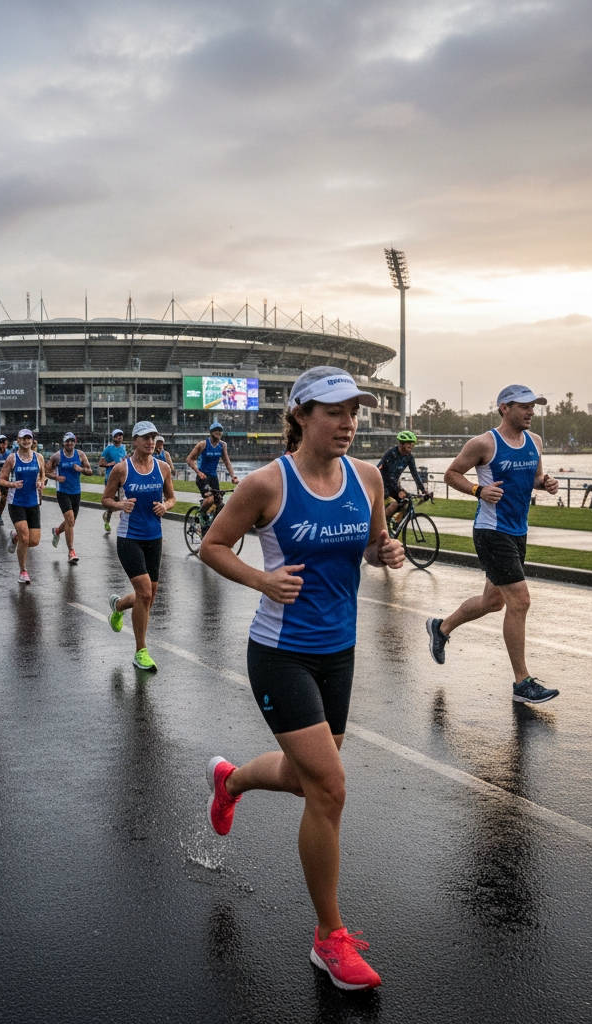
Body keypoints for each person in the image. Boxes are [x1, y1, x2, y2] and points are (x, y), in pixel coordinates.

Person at [199, 366, 403, 992]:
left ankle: (230, 780)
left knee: (304, 776)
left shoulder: (366, 478)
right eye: (336, 411)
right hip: (280, 652)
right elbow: (213, 544)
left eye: (355, 412)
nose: (349, 423)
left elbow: (370, 546)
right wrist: (262, 580)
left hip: (339, 652)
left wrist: (385, 552)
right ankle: (328, 939)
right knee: (331, 787)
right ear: (302, 415)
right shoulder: (267, 484)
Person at [426, 385, 561, 703]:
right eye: (524, 406)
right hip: (491, 531)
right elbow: (451, 474)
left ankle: (441, 628)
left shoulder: (535, 442)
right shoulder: (485, 443)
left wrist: (547, 483)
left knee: (494, 602)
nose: (531, 411)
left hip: (518, 531)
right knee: (520, 601)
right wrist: (477, 490)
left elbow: (536, 478)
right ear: (504, 407)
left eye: (534, 406)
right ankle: (522, 682)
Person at [102, 421, 176, 671]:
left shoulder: (163, 467)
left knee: (150, 596)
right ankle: (140, 652)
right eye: (145, 437)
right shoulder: (121, 469)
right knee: (144, 592)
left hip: (154, 537)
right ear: (134, 441)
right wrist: (119, 505)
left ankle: (119, 605)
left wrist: (166, 506)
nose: (151, 441)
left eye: (153, 437)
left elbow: (172, 497)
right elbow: (105, 499)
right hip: (129, 537)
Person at [0, 428, 45, 584]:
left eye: (28, 438)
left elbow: (42, 475)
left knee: (34, 541)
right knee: (25, 538)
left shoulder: (39, 457)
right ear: (18, 441)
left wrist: (41, 483)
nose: (26, 441)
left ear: (32, 440)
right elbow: (1, 480)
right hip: (16, 502)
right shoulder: (12, 458)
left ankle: (15, 536)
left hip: (33, 502)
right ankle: (23, 571)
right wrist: (12, 484)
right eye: (23, 438)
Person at [46, 431, 92, 565]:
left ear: (75, 441)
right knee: (70, 519)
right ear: (63, 442)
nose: (69, 443)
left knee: (70, 522)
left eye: (72, 441)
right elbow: (46, 471)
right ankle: (71, 552)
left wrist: (81, 469)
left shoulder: (80, 455)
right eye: (67, 441)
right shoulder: (57, 456)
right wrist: (56, 477)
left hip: (76, 492)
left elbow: (90, 471)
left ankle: (57, 531)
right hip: (63, 492)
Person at [186, 422, 239, 523]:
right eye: (216, 430)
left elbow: (227, 461)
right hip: (203, 477)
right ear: (211, 432)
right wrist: (198, 471)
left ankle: (213, 525)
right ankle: (202, 513)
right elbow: (189, 459)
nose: (218, 432)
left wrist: (233, 476)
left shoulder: (223, 445)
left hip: (213, 477)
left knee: (219, 502)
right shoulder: (202, 444)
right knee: (209, 499)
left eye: (220, 430)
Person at [376, 430, 430, 522]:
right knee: (395, 504)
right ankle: (379, 524)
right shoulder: (391, 454)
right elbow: (390, 477)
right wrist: (400, 490)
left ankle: (394, 526)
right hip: (380, 483)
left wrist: (423, 489)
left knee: (406, 504)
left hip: (392, 484)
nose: (410, 449)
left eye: (412, 446)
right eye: (409, 446)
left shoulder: (409, 457)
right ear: (401, 444)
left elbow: (415, 474)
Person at [98, 428, 128, 533]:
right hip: (110, 478)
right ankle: (108, 518)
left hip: (122, 478)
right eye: (117, 435)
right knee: (112, 501)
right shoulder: (108, 449)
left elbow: (124, 459)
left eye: (121, 435)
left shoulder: (124, 447)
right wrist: (109, 464)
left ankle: (110, 516)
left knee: (122, 500)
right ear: (114, 437)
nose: (119, 437)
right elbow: (100, 463)